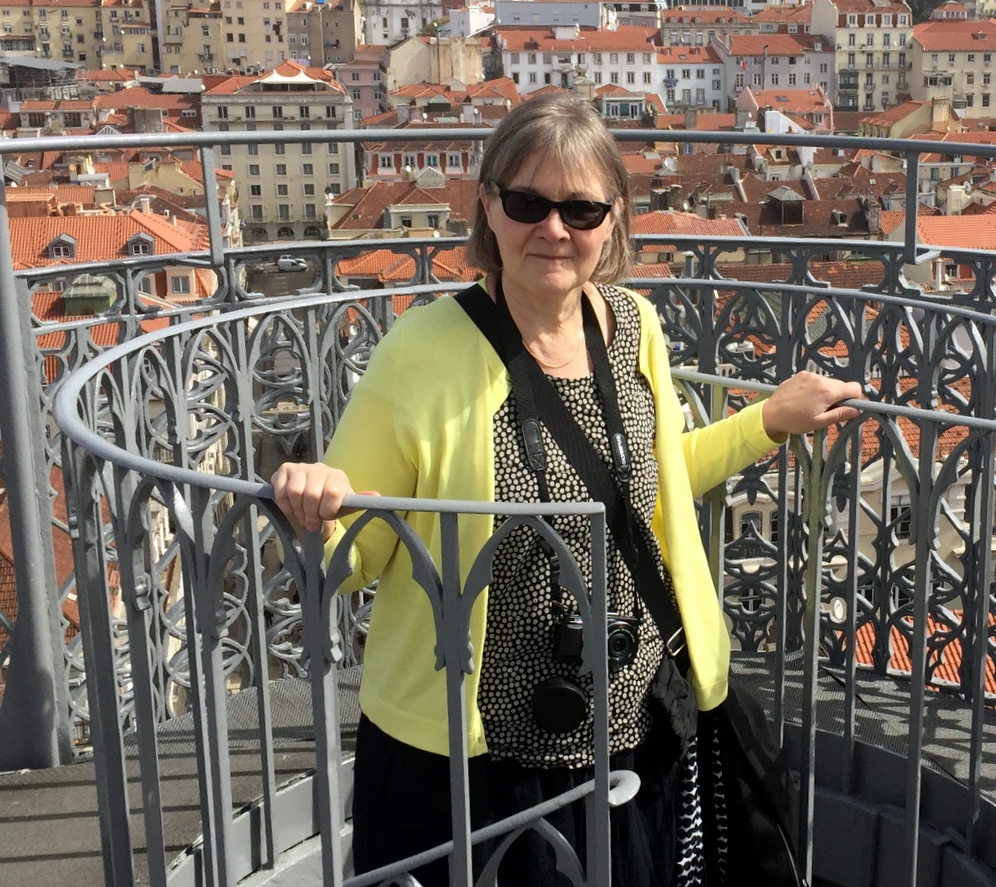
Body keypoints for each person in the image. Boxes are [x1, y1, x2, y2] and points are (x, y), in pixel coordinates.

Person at [272, 92, 861, 886]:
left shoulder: (634, 325)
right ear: (489, 209)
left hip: (634, 725)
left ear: (612, 221)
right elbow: (357, 556)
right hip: (476, 755)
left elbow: (647, 486)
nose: (553, 230)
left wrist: (767, 422)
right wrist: (316, 506)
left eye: (581, 210)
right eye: (528, 204)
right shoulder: (419, 353)